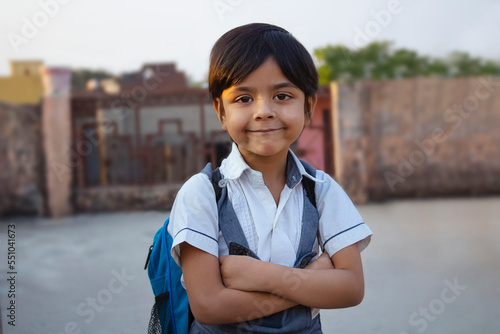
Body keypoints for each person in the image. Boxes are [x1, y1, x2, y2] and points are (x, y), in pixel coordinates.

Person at [168, 23, 373, 333]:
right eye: (243, 99)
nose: (264, 111)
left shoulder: (321, 190)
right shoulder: (202, 193)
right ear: (221, 112)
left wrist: (261, 277)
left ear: (308, 107)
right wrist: (311, 281)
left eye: (281, 95)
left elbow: (351, 288)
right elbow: (209, 306)